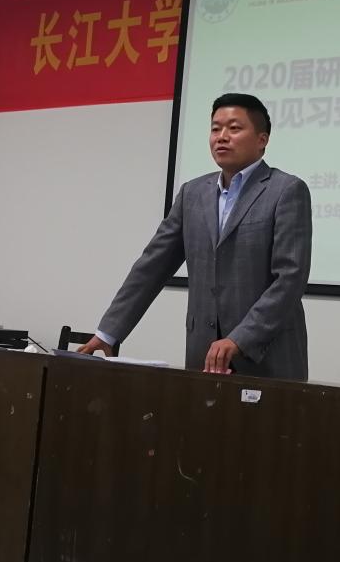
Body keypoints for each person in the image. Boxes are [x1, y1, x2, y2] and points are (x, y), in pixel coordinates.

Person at [79, 93, 312, 380]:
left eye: (234, 128)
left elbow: (290, 279)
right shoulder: (192, 193)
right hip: (203, 354)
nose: (221, 137)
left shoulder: (286, 190)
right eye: (215, 129)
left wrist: (240, 338)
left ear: (262, 139)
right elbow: (152, 266)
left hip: (268, 358)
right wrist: (108, 333)